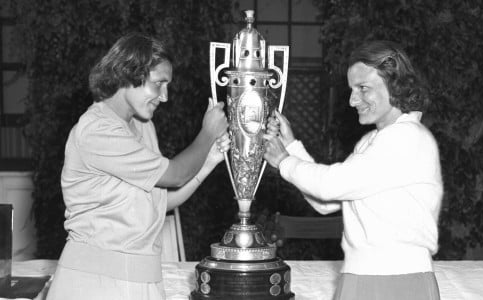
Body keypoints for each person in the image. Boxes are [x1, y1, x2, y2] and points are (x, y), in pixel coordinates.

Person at [46, 33, 229, 300]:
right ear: (127, 75)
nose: (164, 97)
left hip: (141, 283)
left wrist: (209, 159)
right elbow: (176, 175)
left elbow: (160, 201)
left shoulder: (143, 127)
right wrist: (208, 133)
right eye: (158, 84)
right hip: (93, 286)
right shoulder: (97, 130)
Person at [264, 40, 442, 300]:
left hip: (397, 282)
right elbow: (326, 202)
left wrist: (284, 160)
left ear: (395, 85)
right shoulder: (373, 141)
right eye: (351, 89)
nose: (352, 100)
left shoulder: (406, 138)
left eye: (363, 88)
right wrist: (291, 147)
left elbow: (329, 185)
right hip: (361, 277)